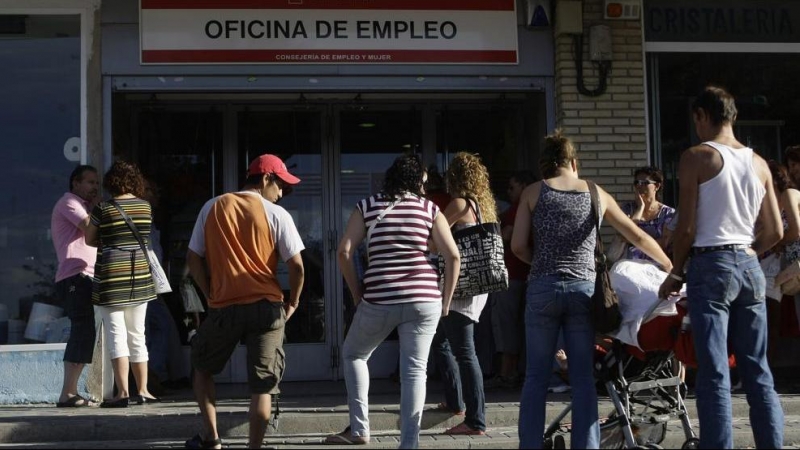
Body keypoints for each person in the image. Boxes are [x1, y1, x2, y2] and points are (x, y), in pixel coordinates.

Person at [512, 131, 672, 449]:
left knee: (536, 377)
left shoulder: (532, 192)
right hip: (583, 292)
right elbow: (636, 236)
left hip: (543, 288)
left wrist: (541, 264)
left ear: (547, 165)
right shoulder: (595, 193)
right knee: (583, 378)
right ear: (574, 162)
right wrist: (669, 265)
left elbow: (517, 246)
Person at [658, 86, 784, 449]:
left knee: (714, 372)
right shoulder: (758, 162)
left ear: (701, 116)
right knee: (758, 370)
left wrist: (676, 271)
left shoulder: (696, 157)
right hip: (749, 264)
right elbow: (775, 230)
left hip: (710, 263)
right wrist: (747, 251)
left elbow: (686, 228)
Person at [327, 154, 460, 448]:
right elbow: (452, 255)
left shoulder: (368, 206)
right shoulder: (429, 208)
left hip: (379, 296)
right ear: (417, 182)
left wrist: (356, 292)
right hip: (425, 299)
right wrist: (446, 301)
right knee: (415, 371)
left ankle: (360, 429)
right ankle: (408, 443)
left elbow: (343, 252)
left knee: (353, 354)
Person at [185, 154, 305, 449]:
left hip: (224, 305)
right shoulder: (276, 214)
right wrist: (294, 301)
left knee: (202, 368)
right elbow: (298, 267)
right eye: (280, 186)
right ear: (265, 179)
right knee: (263, 385)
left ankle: (211, 438)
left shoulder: (211, 207)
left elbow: (193, 258)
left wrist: (210, 292)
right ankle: (255, 447)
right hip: (266, 306)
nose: (281, 194)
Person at [429, 152, 496, 435]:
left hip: (461, 286)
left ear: (454, 177)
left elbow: (434, 238)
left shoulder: (458, 203)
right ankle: (456, 402)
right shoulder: (483, 206)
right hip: (475, 285)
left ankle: (475, 420)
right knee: (442, 342)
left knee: (465, 352)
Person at [85, 161, 159, 408]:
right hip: (139, 277)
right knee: (138, 334)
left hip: (111, 279)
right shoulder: (145, 207)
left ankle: (123, 392)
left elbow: (89, 238)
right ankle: (144, 390)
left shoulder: (103, 209)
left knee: (116, 336)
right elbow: (144, 238)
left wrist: (109, 242)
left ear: (110, 183)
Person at [50, 165, 99, 408]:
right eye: (89, 182)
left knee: (86, 331)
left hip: (85, 277)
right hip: (74, 277)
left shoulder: (84, 206)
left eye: (96, 183)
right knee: (81, 329)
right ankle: (67, 392)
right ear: (75, 183)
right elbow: (90, 226)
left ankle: (71, 390)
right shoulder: (69, 202)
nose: (94, 187)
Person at [485, 170, 536, 390]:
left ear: (524, 187)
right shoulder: (531, 207)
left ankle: (508, 372)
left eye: (512, 187)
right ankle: (514, 371)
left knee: (507, 325)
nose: (508, 192)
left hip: (512, 274)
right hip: (524, 275)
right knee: (517, 324)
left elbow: (507, 236)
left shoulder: (518, 210)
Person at [142, 178, 189, 391]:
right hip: (145, 284)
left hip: (153, 285)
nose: (156, 195)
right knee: (155, 328)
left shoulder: (151, 220)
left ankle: (158, 374)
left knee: (160, 327)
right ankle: (155, 376)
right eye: (152, 190)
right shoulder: (141, 217)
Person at [621, 166, 676, 261]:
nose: (639, 186)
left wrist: (636, 242)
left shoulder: (668, 213)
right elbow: (624, 236)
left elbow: (665, 242)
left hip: (657, 265)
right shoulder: (628, 209)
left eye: (644, 183)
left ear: (657, 186)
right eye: (636, 183)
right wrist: (640, 208)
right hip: (630, 265)